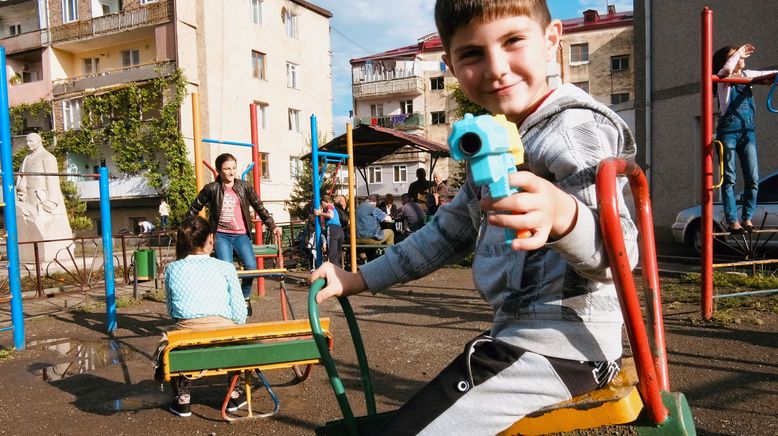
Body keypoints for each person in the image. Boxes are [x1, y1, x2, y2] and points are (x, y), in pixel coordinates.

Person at [310, 1, 638, 434]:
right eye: (472, 54)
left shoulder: (573, 128)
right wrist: (358, 278)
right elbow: (445, 234)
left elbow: (621, 256)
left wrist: (564, 216)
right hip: (521, 341)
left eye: (513, 41)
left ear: (552, 40)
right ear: (450, 65)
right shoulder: (494, 142)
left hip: (564, 348)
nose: (496, 68)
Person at [161, 215, 248, 417]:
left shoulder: (172, 269)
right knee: (235, 337)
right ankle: (234, 394)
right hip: (223, 334)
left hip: (188, 336)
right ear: (210, 238)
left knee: (174, 341)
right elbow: (239, 313)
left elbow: (171, 311)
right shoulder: (225, 268)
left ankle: (183, 400)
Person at [187, 153, 282, 317]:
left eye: (233, 168)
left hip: (241, 235)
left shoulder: (245, 187)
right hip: (222, 235)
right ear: (218, 170)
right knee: (227, 270)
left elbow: (259, 207)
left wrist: (272, 225)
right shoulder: (212, 189)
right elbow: (193, 209)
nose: (231, 172)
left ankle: (244, 296)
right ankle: (230, 300)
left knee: (251, 267)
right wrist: (191, 230)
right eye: (226, 169)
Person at [713, 44, 777, 234]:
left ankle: (747, 218)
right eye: (735, 56)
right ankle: (732, 220)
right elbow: (726, 70)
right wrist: (738, 53)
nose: (741, 58)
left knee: (753, 178)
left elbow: (767, 73)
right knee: (729, 178)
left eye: (740, 56)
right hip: (728, 131)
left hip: (747, 131)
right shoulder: (723, 80)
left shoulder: (747, 75)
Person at [16, 132, 67, 221]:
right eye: (27, 141)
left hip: (41, 197)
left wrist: (52, 201)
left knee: (43, 224)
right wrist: (20, 191)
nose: (28, 144)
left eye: (31, 141)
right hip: (27, 197)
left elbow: (52, 179)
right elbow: (21, 176)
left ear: (39, 142)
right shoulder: (27, 158)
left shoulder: (47, 157)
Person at [314, 195, 344, 268]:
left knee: (332, 256)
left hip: (333, 229)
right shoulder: (334, 208)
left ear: (323, 202)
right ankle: (339, 275)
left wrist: (319, 213)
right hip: (340, 230)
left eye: (321, 205)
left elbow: (330, 215)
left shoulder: (329, 206)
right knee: (337, 256)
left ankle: (334, 276)